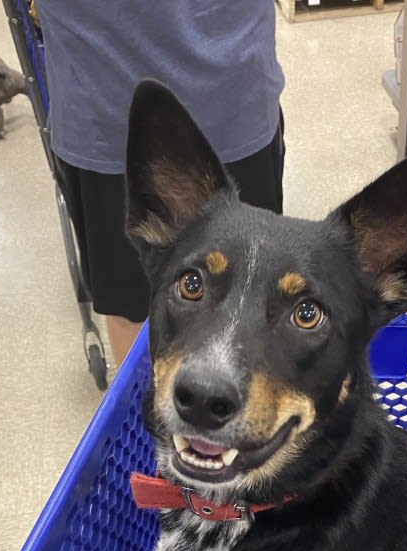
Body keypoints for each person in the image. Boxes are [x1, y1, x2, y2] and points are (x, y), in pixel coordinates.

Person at [34, 1, 285, 367]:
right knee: (135, 307)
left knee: (256, 295)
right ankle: (150, 419)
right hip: (106, 94)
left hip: (226, 84)